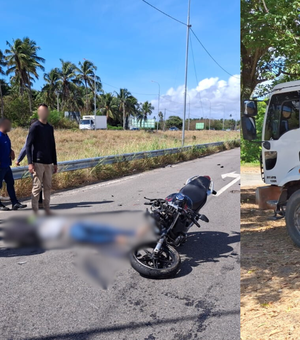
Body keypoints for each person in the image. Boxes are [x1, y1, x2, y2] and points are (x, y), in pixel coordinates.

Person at [26, 104, 58, 215]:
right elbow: (28, 146)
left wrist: (55, 163)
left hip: (49, 162)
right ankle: (35, 211)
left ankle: (47, 208)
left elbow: (52, 145)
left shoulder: (50, 127)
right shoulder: (35, 127)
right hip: (38, 162)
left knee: (48, 187)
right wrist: (30, 163)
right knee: (37, 187)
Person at [0, 118, 27, 211]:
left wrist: (11, 152)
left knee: (10, 183)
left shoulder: (5, 136)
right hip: (0, 166)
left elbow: (5, 147)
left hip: (6, 165)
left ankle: (15, 203)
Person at [16, 119, 43, 209]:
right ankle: (38, 202)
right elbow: (25, 149)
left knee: (38, 182)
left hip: (41, 161)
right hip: (35, 162)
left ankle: (39, 202)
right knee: (38, 182)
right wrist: (19, 160)